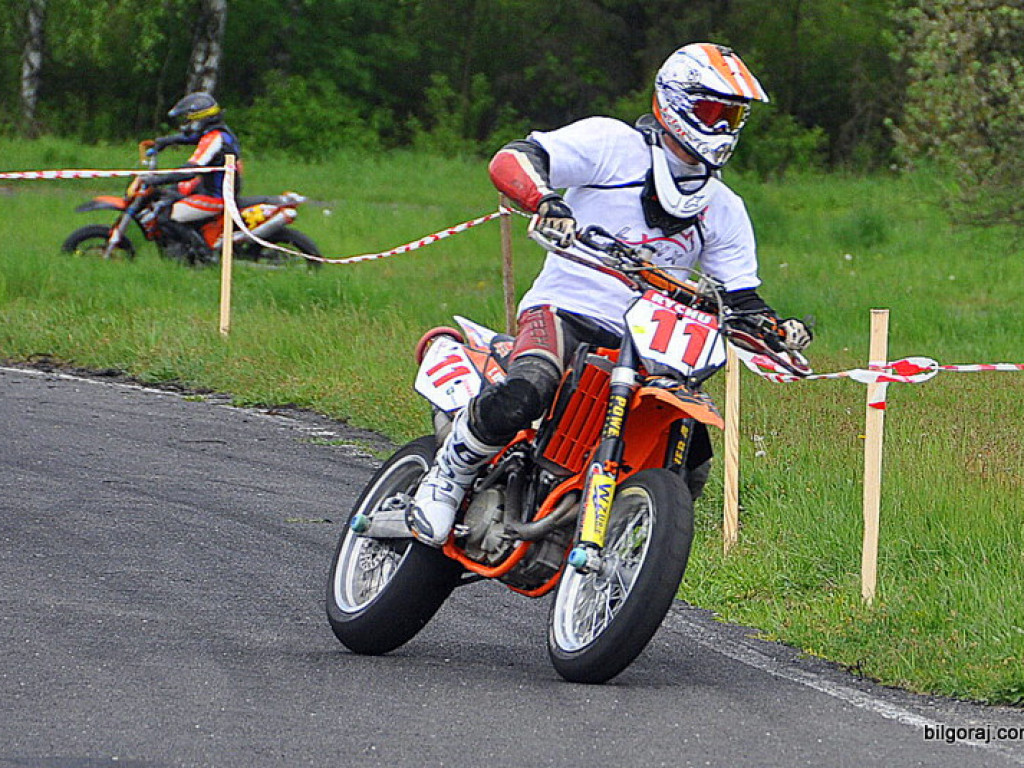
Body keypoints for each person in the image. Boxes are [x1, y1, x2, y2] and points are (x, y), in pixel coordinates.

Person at [407, 42, 813, 547]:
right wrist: (547, 202)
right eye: (713, 110)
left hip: (651, 340)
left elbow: (741, 296)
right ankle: (449, 474)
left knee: (689, 460)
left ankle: (620, 547)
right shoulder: (610, 143)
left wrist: (774, 328)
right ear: (677, 101)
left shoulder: (724, 208)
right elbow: (515, 159)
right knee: (526, 390)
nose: (725, 126)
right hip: (567, 308)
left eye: (733, 115)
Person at [143, 92, 243, 258]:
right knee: (174, 191)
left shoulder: (214, 138)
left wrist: (158, 179)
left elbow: (190, 170)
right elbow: (191, 138)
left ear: (201, 119)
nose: (187, 124)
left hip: (216, 196)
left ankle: (203, 254)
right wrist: (165, 141)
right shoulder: (218, 132)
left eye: (190, 120)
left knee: (166, 216)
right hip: (214, 186)